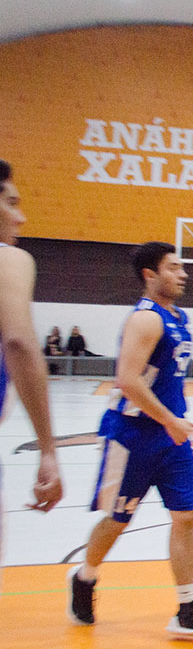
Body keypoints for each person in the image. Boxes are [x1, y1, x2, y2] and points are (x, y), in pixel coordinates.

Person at [69, 242, 193, 639]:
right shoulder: (145, 320)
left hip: (171, 435)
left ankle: (188, 608)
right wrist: (171, 419)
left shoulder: (180, 318)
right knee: (118, 520)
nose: (184, 273)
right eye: (173, 267)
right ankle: (85, 577)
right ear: (150, 275)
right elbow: (127, 380)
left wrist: (174, 421)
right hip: (132, 435)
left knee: (186, 516)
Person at [0, 160, 64, 581]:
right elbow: (19, 342)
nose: (21, 216)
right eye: (11, 203)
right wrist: (48, 449)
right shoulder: (10, 259)